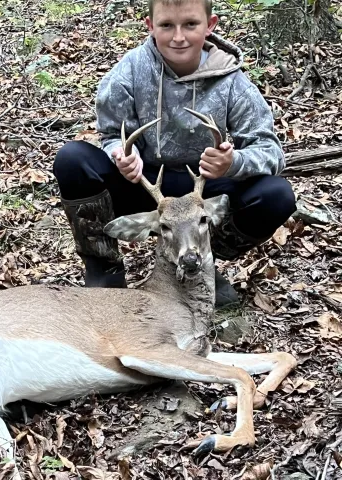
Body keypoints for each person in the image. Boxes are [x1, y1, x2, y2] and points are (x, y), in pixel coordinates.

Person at [53, 0, 296, 308]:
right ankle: (104, 270)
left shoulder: (231, 80)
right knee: (72, 161)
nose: (178, 37)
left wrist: (232, 163)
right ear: (150, 25)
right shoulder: (130, 70)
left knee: (276, 195)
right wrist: (123, 156)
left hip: (204, 188)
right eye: (167, 25)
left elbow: (271, 151)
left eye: (190, 24)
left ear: (210, 25)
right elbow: (112, 133)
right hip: (147, 185)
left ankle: (200, 262)